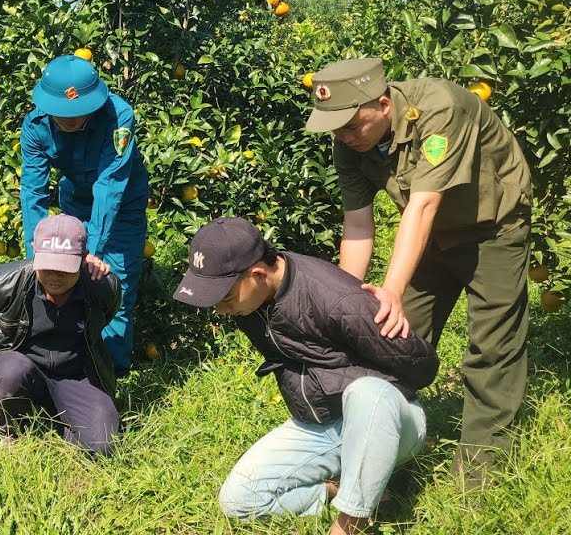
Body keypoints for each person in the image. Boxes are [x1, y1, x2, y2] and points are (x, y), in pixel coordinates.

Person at [305, 57, 532, 483]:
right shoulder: (348, 141)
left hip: (491, 228)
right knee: (391, 340)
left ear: (384, 103)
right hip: (429, 236)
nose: (344, 136)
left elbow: (423, 204)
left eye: (353, 125)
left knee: (491, 350)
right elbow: (357, 226)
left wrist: (391, 288)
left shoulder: (440, 108)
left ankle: (481, 476)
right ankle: (377, 456)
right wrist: (345, 303)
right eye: (336, 128)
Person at [173, 217, 439, 534]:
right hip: (326, 425)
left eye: (226, 298)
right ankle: (340, 489)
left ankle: (350, 523)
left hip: (389, 418)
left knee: (367, 392)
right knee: (239, 500)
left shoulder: (339, 301)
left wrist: (356, 388)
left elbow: (423, 367)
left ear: (257, 274)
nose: (221, 310)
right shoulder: (253, 301)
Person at [20, 54, 149, 375]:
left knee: (111, 283)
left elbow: (111, 184)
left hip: (121, 206)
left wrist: (96, 249)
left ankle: (111, 374)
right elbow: (33, 194)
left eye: (76, 112)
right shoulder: (35, 127)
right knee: (65, 277)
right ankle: (72, 363)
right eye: (61, 113)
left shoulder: (119, 117)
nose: (68, 120)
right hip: (76, 200)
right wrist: (37, 254)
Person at [0, 214, 120, 455]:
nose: (55, 277)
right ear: (33, 251)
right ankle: (12, 433)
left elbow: (105, 317)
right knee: (9, 369)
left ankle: (53, 422)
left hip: (76, 375)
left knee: (103, 446)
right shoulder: (1, 282)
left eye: (64, 269)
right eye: (48, 267)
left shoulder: (103, 286)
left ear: (83, 258)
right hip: (23, 365)